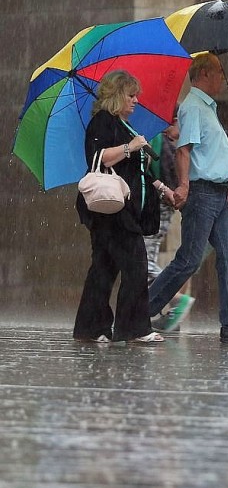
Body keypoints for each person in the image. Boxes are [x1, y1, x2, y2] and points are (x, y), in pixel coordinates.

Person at [147, 53, 228, 344]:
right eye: (219, 72)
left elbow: (207, 147)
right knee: (188, 261)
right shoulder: (192, 107)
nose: (223, 79)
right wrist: (185, 185)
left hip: (220, 195)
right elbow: (184, 150)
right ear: (203, 75)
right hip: (201, 194)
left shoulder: (207, 108)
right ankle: (138, 312)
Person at [73, 70, 165, 344]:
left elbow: (135, 170)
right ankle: (133, 328)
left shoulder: (124, 126)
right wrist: (130, 147)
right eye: (131, 95)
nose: (136, 100)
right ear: (116, 95)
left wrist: (161, 187)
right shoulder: (102, 122)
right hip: (112, 211)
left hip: (121, 209)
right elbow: (99, 158)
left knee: (103, 268)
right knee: (135, 265)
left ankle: (91, 328)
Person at [144, 117, 194, 332]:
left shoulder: (161, 143)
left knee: (143, 261)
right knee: (145, 257)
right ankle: (168, 309)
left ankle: (176, 299)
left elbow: (156, 178)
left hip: (155, 210)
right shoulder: (166, 144)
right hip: (159, 209)